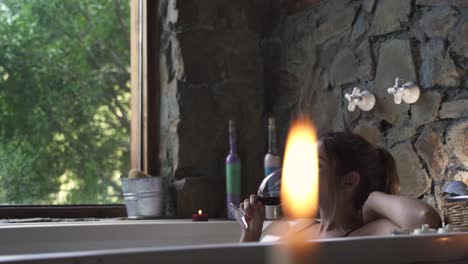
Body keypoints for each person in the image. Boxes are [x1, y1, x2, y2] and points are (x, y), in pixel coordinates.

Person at [240, 132, 441, 242]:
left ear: (349, 181)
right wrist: (251, 234)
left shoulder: (369, 234)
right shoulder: (299, 227)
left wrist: (373, 199)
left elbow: (425, 220)